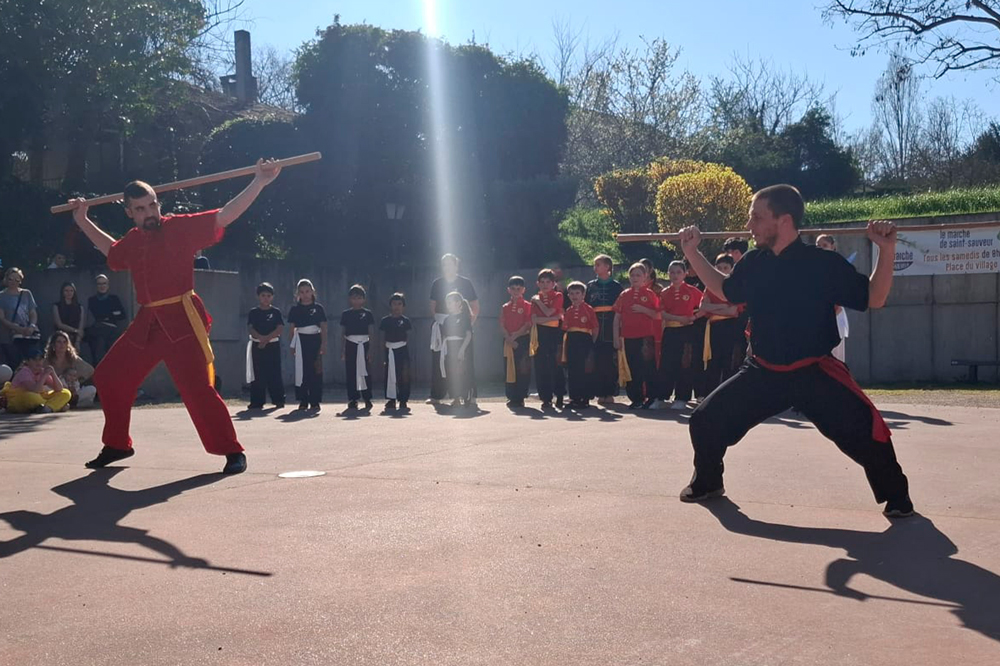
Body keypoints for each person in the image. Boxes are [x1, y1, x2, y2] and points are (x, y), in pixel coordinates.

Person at [676, 184, 913, 518]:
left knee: (869, 433)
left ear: (784, 220)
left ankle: (897, 496)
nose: (749, 225)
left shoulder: (824, 264)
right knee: (704, 421)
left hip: (814, 372)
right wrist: (692, 252)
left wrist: (886, 249)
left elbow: (874, 297)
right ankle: (708, 482)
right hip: (762, 371)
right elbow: (725, 290)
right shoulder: (754, 263)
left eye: (757, 217)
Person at [65, 158, 282, 474]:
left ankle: (231, 450)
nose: (149, 212)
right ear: (129, 212)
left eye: (152, 204)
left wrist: (259, 181)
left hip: (182, 319)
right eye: (140, 209)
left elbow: (224, 216)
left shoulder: (179, 227)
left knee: (197, 389)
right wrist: (83, 220)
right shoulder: (133, 239)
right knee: (109, 376)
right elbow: (113, 251)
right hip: (147, 323)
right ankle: (117, 444)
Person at [428, 254, 479, 405]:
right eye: (444, 264)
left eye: (450, 264)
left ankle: (469, 395)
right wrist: (443, 325)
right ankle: (438, 395)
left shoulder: (465, 283)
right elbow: (433, 307)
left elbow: (475, 306)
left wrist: (466, 324)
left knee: (464, 363)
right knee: (441, 361)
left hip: (462, 326)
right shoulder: (437, 283)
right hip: (443, 326)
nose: (448, 267)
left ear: (456, 265)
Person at [612, 263, 660, 409]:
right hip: (628, 336)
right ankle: (636, 398)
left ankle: (652, 397)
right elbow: (617, 317)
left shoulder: (650, 294)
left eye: (638, 275)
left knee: (648, 367)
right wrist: (616, 338)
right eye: (632, 275)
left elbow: (657, 314)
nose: (635, 278)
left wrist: (642, 309)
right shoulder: (624, 294)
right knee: (632, 368)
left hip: (645, 337)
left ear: (645, 276)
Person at [658, 261, 703, 411]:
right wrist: (678, 318)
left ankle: (682, 397)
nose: (675, 275)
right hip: (670, 331)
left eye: (678, 272)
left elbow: (704, 307)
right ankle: (662, 396)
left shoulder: (693, 291)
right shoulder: (664, 292)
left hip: (687, 331)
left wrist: (693, 317)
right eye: (672, 272)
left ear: (685, 274)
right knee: (666, 363)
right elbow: (662, 312)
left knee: (685, 363)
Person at [698, 255, 743, 396]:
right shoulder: (710, 287)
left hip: (731, 327)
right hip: (714, 327)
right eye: (719, 268)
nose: (722, 271)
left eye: (725, 268)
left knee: (729, 361)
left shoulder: (736, 287)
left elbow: (733, 311)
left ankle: (728, 395)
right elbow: (702, 307)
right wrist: (722, 307)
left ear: (731, 269)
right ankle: (710, 394)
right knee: (713, 361)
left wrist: (713, 308)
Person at [585, 254, 623, 405]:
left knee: (610, 361)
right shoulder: (590, 286)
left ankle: (610, 392)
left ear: (607, 267)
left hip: (611, 325)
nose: (595, 268)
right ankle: (600, 392)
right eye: (594, 265)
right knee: (597, 360)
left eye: (598, 264)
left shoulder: (616, 286)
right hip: (595, 325)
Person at [288, 278, 327, 412]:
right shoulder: (295, 309)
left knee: (316, 371)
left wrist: (323, 344)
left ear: (312, 292)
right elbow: (292, 328)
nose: (305, 294)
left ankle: (315, 401)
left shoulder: (318, 308)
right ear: (298, 293)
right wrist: (292, 345)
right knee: (302, 370)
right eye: (302, 292)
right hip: (300, 341)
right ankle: (303, 400)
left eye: (307, 291)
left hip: (315, 340)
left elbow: (323, 327)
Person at [246, 282, 285, 410]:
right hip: (257, 345)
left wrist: (266, 339)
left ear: (272, 297)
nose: (266, 298)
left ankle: (278, 399)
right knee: (258, 373)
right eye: (263, 295)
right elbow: (250, 328)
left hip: (272, 345)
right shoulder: (253, 312)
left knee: (274, 372)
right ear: (258, 296)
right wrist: (260, 339)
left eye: (268, 296)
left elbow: (280, 328)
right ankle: (257, 401)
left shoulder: (276, 312)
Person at [531, 268, 565, 410]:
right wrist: (552, 318)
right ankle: (545, 398)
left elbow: (548, 311)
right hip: (540, 333)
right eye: (542, 282)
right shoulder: (535, 298)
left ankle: (560, 395)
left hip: (554, 333)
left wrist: (539, 303)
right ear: (538, 283)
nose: (545, 285)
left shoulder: (557, 295)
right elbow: (534, 319)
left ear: (553, 283)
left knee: (555, 364)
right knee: (541, 366)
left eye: (548, 282)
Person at [1, 347, 72, 414]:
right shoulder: (24, 372)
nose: (38, 362)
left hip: (39, 398)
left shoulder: (42, 371)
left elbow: (59, 388)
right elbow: (36, 390)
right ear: (28, 361)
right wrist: (44, 376)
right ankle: (55, 406)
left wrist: (53, 373)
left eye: (40, 359)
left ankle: (47, 408)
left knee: (66, 393)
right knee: (31, 397)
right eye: (34, 360)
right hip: (19, 399)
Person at [562, 281, 599, 409]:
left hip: (584, 339)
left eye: (577, 293)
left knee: (585, 369)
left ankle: (585, 397)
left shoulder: (588, 309)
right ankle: (575, 397)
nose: (574, 296)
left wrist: (592, 342)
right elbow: (565, 327)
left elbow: (595, 327)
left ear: (583, 295)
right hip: (572, 340)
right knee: (572, 369)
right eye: (572, 293)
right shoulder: (568, 310)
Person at [816, 234, 850, 363]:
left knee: (836, 358)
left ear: (833, 247)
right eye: (818, 246)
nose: (821, 248)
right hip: (818, 318)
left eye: (824, 245)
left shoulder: (838, 266)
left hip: (834, 315)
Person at [500, 276, 533, 408]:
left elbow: (527, 323)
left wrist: (515, 336)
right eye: (513, 289)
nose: (516, 291)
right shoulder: (505, 307)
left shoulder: (527, 305)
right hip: (508, 340)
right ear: (508, 290)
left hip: (522, 339)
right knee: (509, 368)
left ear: (523, 290)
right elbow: (502, 323)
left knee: (522, 368)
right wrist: (508, 338)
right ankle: (511, 396)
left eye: (519, 289)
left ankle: (521, 396)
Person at [340, 284, 375, 411]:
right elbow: (343, 333)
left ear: (364, 299)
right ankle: (353, 399)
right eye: (354, 298)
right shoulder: (346, 314)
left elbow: (371, 332)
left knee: (366, 372)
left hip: (364, 344)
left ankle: (367, 397)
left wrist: (371, 349)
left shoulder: (368, 314)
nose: (356, 301)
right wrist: (343, 349)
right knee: (351, 372)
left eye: (359, 298)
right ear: (350, 299)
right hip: (350, 344)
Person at [0, 267, 41, 368]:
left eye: (16, 280)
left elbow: (32, 312)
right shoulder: (2, 296)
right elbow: (2, 318)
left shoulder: (26, 293)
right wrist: (17, 328)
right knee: (14, 364)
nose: (13, 282)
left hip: (27, 335)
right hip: (8, 337)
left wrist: (32, 326)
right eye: (10, 279)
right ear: (6, 279)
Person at [45, 331, 97, 408]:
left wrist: (75, 378)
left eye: (64, 342)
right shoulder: (47, 360)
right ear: (53, 344)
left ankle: (73, 404)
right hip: (57, 391)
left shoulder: (73, 358)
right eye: (59, 342)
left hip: (73, 391)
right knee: (45, 389)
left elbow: (90, 370)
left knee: (92, 389)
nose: (62, 345)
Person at [440, 291, 474, 408]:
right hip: (449, 347)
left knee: (462, 372)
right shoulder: (446, 320)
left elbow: (468, 335)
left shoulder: (464, 317)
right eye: (447, 303)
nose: (448, 305)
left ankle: (466, 395)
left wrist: (462, 350)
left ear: (458, 303)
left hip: (461, 346)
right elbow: (444, 335)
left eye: (450, 302)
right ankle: (455, 398)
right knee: (451, 373)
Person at [379, 293, 412, 411]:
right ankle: (391, 399)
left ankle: (403, 400)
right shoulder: (385, 321)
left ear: (403, 306)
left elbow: (409, 336)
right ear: (390, 305)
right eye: (394, 304)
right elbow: (382, 337)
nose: (397, 306)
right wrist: (383, 353)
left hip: (402, 350)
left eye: (399, 304)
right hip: (389, 350)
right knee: (390, 375)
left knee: (404, 375)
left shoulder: (406, 321)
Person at [85, 274, 127, 364]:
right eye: (99, 284)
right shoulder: (92, 300)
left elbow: (122, 315)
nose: (102, 286)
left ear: (108, 285)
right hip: (98, 329)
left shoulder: (114, 299)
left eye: (104, 283)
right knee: (98, 348)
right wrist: (111, 313)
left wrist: (107, 316)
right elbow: (94, 316)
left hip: (112, 330)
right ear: (96, 286)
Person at [52, 282, 86, 348]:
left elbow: (81, 327)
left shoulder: (80, 307)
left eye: (71, 291)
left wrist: (77, 341)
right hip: (61, 334)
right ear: (62, 292)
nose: (69, 293)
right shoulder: (56, 306)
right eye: (66, 291)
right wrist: (75, 330)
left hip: (76, 336)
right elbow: (59, 324)